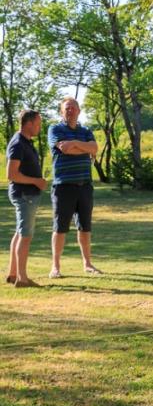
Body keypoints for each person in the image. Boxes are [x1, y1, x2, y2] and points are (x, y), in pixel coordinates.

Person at [48, 97, 100, 278]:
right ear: (62, 112)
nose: (70, 111)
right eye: (66, 108)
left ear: (79, 111)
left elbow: (95, 148)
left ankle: (87, 264)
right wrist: (84, 148)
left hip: (84, 186)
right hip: (64, 187)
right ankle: (55, 267)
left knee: (85, 227)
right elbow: (65, 149)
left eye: (73, 108)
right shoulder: (55, 129)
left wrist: (76, 144)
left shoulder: (85, 130)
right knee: (60, 227)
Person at [6, 110, 47, 288]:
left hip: (27, 194)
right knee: (25, 235)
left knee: (19, 232)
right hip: (24, 195)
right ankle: (22, 278)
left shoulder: (26, 142)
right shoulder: (18, 144)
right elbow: (12, 174)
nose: (39, 127)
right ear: (28, 123)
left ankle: (13, 273)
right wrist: (36, 181)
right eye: (38, 123)